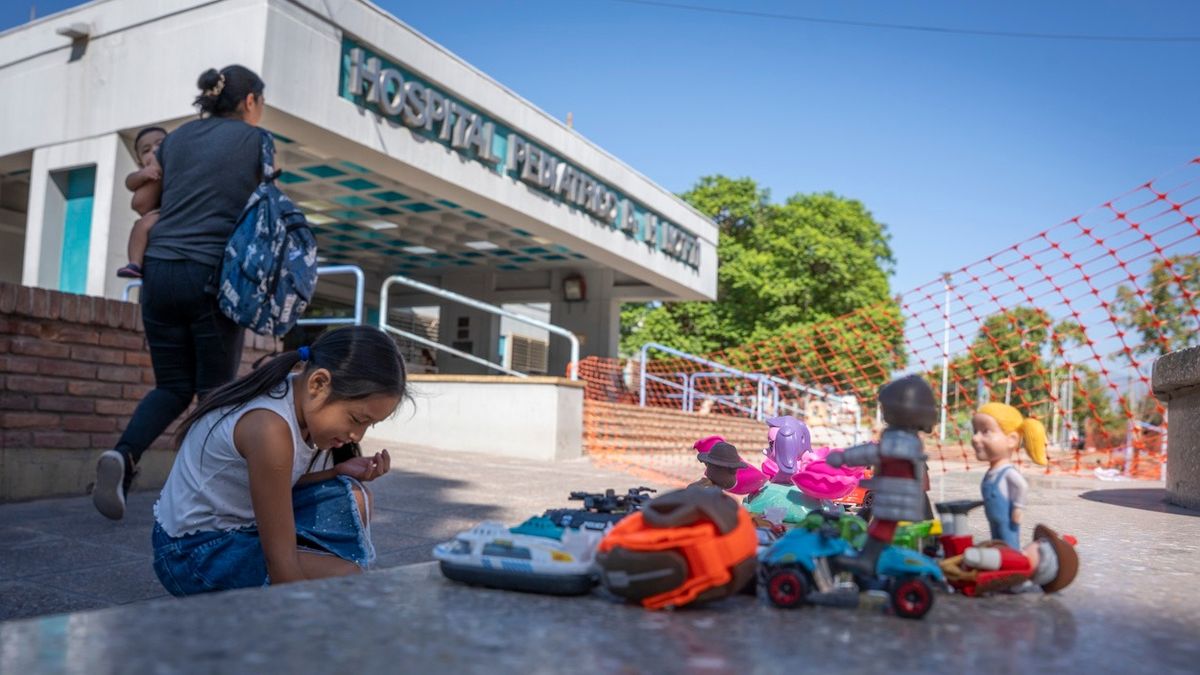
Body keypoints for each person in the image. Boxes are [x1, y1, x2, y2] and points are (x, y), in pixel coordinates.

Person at [94, 65, 269, 520]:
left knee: (172, 385)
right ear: (249, 101)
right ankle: (209, 495)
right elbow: (267, 206)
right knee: (216, 391)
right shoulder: (256, 141)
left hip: (158, 273)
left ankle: (124, 455)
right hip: (211, 273)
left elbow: (146, 201)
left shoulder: (176, 141)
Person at [151, 326, 407, 595]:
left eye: (371, 425)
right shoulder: (269, 429)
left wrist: (336, 472)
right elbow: (282, 566)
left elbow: (276, 484)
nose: (357, 435)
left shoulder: (298, 398)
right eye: (357, 419)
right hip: (191, 553)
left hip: (236, 525)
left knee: (354, 497)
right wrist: (306, 619)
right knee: (347, 577)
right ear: (318, 383)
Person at [971, 402, 1048, 548]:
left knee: (1009, 543)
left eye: (985, 431)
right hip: (994, 518)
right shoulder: (992, 472)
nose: (975, 438)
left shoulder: (1008, 472)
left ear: (1011, 439)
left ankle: (1013, 564)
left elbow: (1022, 486)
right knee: (997, 542)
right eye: (975, 431)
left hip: (1008, 520)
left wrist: (1018, 508)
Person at [115, 127, 167, 278]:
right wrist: (143, 174)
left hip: (171, 209)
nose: (155, 150)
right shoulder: (145, 173)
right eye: (146, 150)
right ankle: (135, 264)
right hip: (156, 212)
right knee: (140, 225)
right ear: (140, 162)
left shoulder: (174, 165)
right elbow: (129, 182)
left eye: (160, 144)